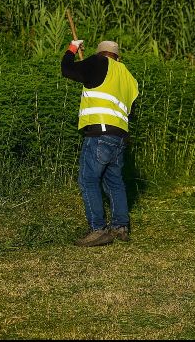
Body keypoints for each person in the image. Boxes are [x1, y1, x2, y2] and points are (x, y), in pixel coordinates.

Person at [61, 39, 139, 247]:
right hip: (120, 136)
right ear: (117, 57)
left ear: (100, 53)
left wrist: (72, 48)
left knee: (88, 180)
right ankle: (120, 227)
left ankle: (98, 230)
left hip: (99, 134)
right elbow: (131, 110)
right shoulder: (128, 77)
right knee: (114, 181)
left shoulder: (97, 62)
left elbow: (67, 70)